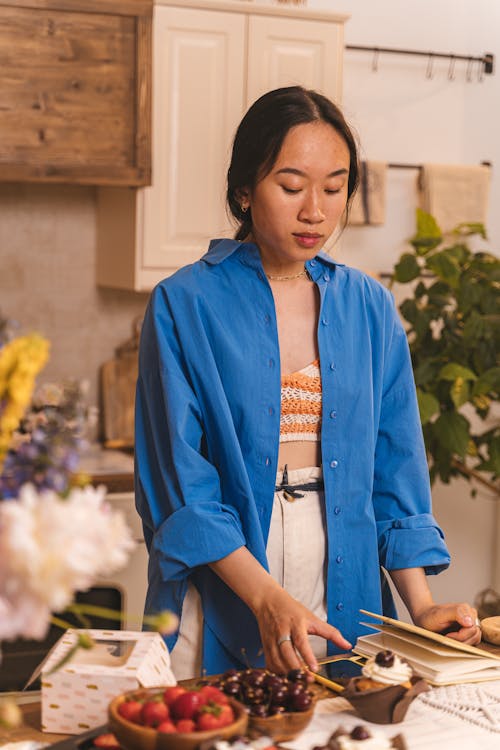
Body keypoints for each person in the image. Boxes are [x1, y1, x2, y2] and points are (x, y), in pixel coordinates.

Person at [135, 86, 481, 680]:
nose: (315, 211)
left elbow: (394, 471)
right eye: (291, 187)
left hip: (346, 580)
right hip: (228, 578)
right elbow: (183, 488)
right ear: (244, 190)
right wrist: (266, 598)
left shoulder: (369, 306)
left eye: (334, 186)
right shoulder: (183, 304)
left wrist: (421, 609)